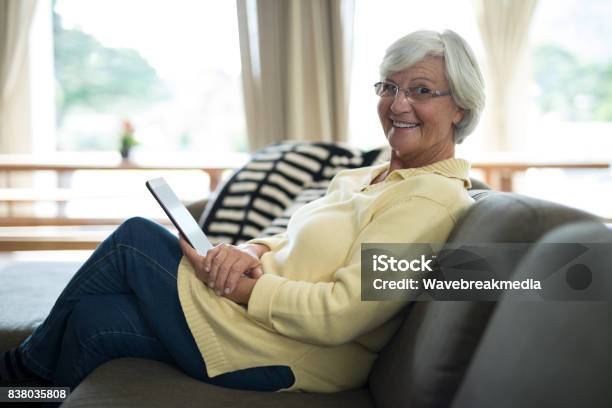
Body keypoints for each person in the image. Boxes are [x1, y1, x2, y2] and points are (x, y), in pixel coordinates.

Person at [0, 29, 484, 393]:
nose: (398, 104)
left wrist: (243, 285)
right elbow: (294, 238)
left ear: (459, 107)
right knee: (92, 321)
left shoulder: (429, 200)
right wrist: (250, 249)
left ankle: (13, 377)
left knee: (136, 240)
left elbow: (340, 315)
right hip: (248, 324)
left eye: (420, 90)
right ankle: (27, 395)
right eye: (388, 87)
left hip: (285, 352)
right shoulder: (370, 176)